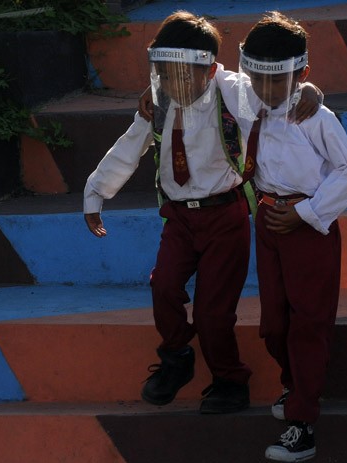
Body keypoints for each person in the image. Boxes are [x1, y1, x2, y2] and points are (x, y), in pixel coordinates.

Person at [83, 12, 321, 415]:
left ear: (209, 70)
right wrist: (95, 194)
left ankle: (230, 380)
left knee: (213, 313)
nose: (172, 84)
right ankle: (176, 356)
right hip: (178, 219)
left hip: (224, 217)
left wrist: (308, 90)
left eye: (181, 75)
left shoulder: (232, 92)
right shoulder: (159, 102)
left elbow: (273, 94)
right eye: (163, 74)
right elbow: (128, 148)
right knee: (163, 288)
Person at [238, 11, 347, 462]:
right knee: (274, 324)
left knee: (308, 323)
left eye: (278, 80)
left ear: (302, 74)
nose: (266, 89)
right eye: (257, 78)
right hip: (268, 221)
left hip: (309, 225)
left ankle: (303, 423)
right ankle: (296, 387)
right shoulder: (246, 103)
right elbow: (210, 81)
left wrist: (305, 213)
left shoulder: (316, 117)